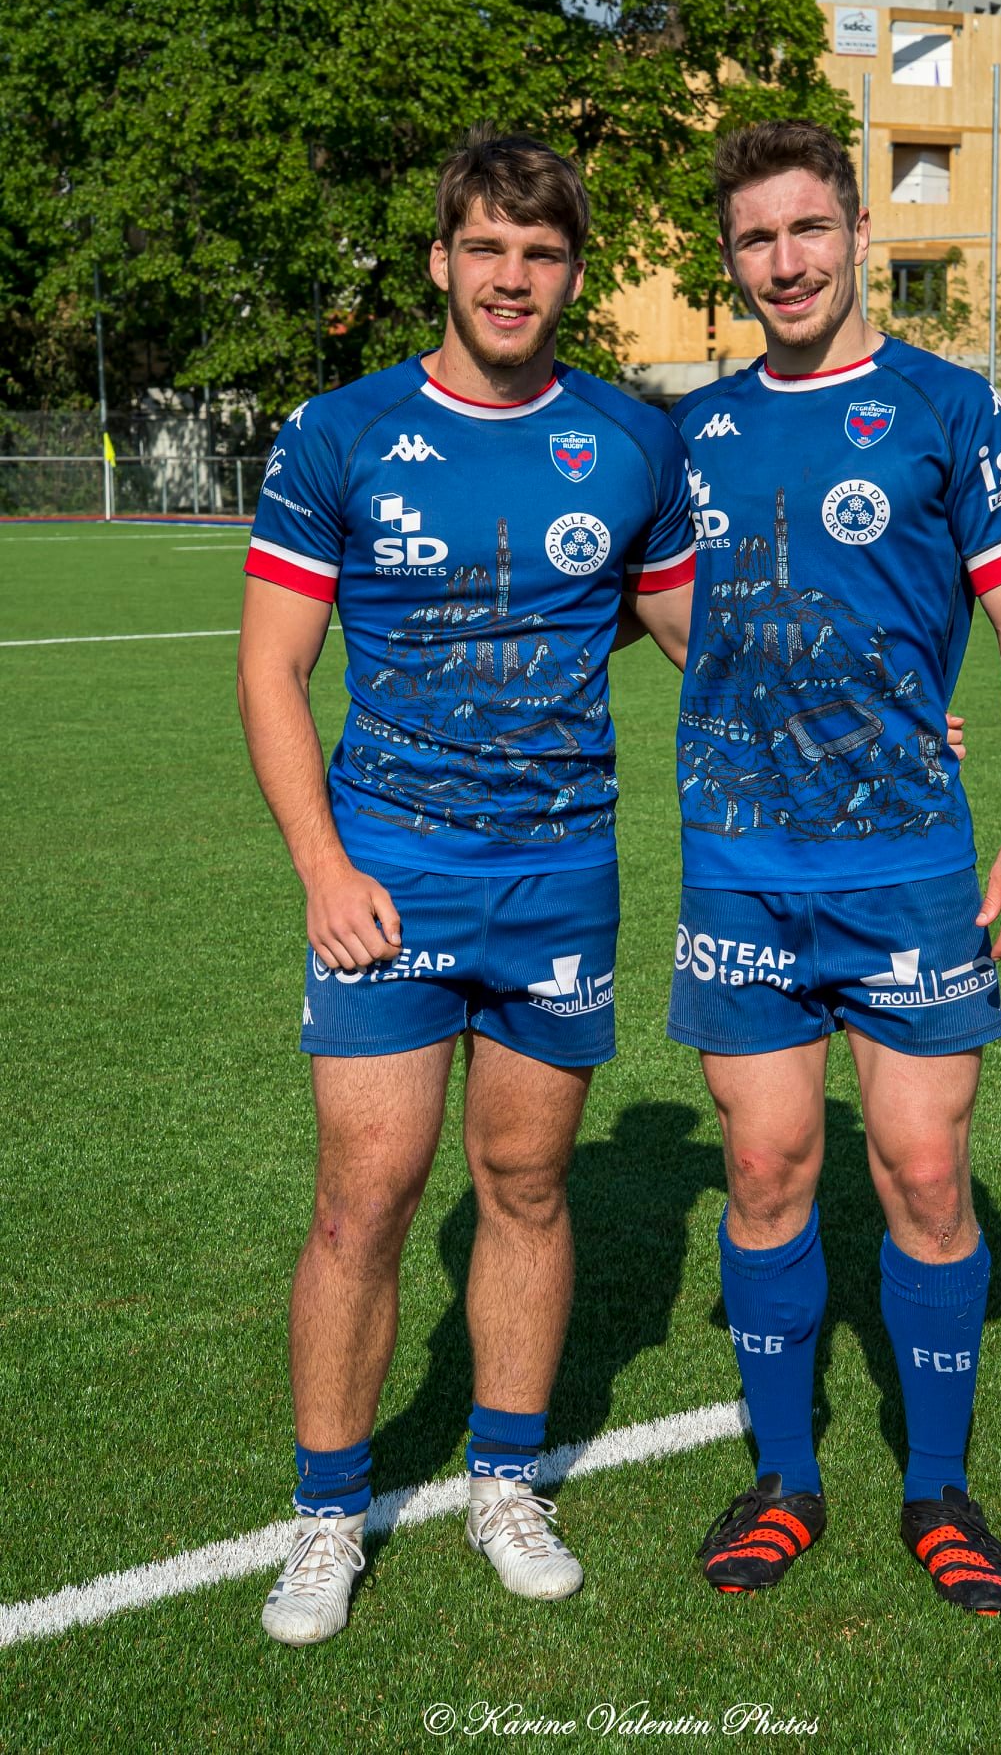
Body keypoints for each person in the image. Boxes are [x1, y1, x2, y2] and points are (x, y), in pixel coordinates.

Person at [237, 126, 698, 1643]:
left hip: (558, 877)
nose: (513, 277)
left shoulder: (633, 440)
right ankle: (324, 1514)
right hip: (387, 877)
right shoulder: (341, 431)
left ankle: (506, 1479)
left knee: (527, 1185)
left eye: (543, 254)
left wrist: (868, 714)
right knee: (363, 1201)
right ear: (440, 261)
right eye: (487, 249)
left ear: (571, 274)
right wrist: (321, 865)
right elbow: (272, 668)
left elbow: (685, 629)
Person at [666, 121, 1001, 1616]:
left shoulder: (947, 409)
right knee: (768, 1165)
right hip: (739, 861)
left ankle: (936, 1487)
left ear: (854, 231)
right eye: (754, 242)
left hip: (906, 861)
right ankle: (784, 1479)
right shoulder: (690, 433)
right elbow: (664, 604)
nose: (784, 261)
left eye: (805, 230)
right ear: (735, 264)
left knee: (919, 1167)